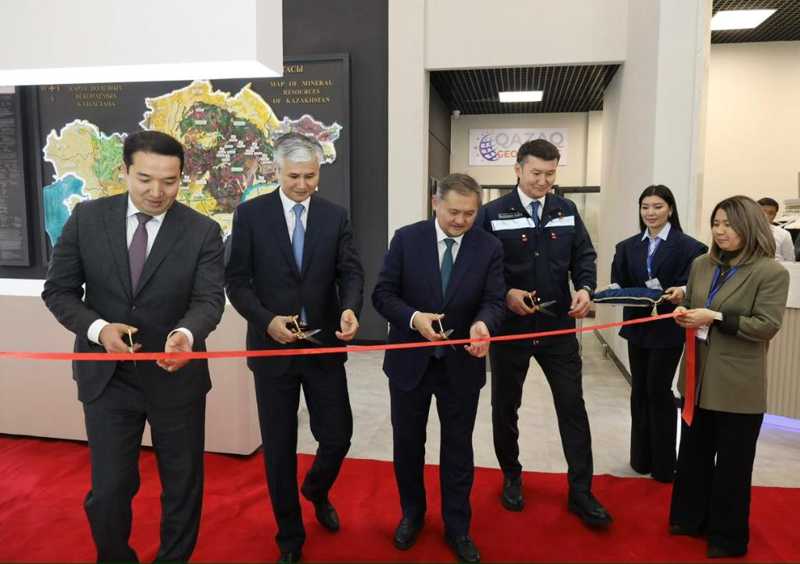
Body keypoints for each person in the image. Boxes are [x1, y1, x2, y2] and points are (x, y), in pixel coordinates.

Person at [41, 130, 226, 562]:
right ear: (124, 171)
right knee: (109, 489)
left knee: (182, 485)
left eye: (169, 181)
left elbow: (208, 301)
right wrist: (99, 329)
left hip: (175, 377)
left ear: (182, 178)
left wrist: (185, 336)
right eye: (145, 178)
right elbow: (59, 291)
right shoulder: (87, 219)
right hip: (108, 379)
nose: (157, 192)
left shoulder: (202, 231)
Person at [225, 132, 364, 564]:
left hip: (323, 346)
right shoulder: (250, 215)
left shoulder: (334, 216)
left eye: (310, 176)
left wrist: (350, 308)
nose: (303, 185)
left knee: (338, 435)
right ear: (276, 171)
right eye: (294, 176)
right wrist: (267, 321)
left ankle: (316, 489)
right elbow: (236, 281)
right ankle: (290, 536)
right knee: (279, 447)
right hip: (272, 351)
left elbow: (350, 272)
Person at [372, 173, 505, 564]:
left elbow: (495, 300)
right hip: (410, 362)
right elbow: (383, 294)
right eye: (453, 212)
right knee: (408, 444)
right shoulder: (406, 239)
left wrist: (483, 324)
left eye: (469, 213)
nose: (461, 220)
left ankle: (457, 526)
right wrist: (414, 319)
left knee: (458, 448)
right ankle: (412, 515)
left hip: (462, 364)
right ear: (435, 203)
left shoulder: (489, 247)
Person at [480, 139, 611, 527]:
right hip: (511, 330)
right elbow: (481, 267)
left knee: (572, 407)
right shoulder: (493, 213)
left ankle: (581, 491)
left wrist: (585, 288)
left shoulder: (566, 210)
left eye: (550, 174)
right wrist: (506, 294)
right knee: (506, 408)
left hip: (557, 328)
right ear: (518, 170)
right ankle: (512, 476)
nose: (543, 181)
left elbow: (584, 255)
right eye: (536, 173)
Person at [671, 195, 789, 558]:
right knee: (693, 454)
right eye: (716, 223)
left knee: (733, 466)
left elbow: (766, 326)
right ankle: (689, 519)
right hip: (696, 377)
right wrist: (683, 309)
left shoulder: (771, 272)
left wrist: (716, 317)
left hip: (738, 385)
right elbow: (694, 302)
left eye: (729, 225)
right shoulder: (701, 264)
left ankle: (727, 537)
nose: (720, 231)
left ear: (749, 227)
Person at [610, 185, 707, 483]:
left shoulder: (691, 248)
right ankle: (640, 458)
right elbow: (619, 282)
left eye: (657, 207)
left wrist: (683, 291)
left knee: (658, 390)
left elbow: (696, 285)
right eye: (645, 207)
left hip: (668, 328)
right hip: (637, 327)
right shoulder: (627, 247)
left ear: (670, 209)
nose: (650, 213)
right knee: (639, 389)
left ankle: (665, 464)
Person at [757, 197, 795, 262]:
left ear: (775, 215)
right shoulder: (746, 232)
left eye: (771, 213)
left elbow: (790, 260)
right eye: (763, 212)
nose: (766, 216)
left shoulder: (783, 234)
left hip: (777, 266)